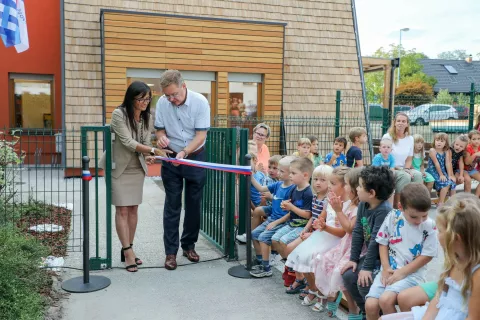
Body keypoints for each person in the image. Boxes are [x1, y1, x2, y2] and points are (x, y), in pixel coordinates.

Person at [99, 81, 171, 272]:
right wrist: (154, 149)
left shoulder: (147, 118)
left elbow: (145, 141)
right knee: (122, 210)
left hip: (136, 168)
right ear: (131, 98)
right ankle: (128, 250)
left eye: (147, 98)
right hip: (118, 168)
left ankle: (127, 247)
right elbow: (128, 142)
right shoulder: (118, 114)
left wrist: (149, 155)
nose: (145, 102)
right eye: (141, 99)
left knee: (132, 210)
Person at [380, 193, 480, 320]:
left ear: (455, 238)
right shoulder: (456, 261)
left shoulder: (477, 274)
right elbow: (440, 297)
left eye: (440, 231)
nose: (437, 234)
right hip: (441, 310)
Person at [154, 70, 210, 270]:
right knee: (172, 204)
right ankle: (170, 253)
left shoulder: (200, 102)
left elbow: (201, 135)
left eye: (174, 95)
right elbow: (159, 129)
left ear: (183, 86)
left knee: (194, 204)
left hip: (194, 155)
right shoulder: (162, 102)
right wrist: (160, 137)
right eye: (168, 95)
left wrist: (185, 153)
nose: (171, 99)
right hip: (171, 156)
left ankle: (188, 246)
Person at [364, 183, 438, 319]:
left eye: (425, 215)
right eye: (414, 217)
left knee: (385, 300)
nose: (420, 221)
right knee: (370, 305)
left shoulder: (429, 226)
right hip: (388, 271)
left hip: (412, 274)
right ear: (400, 207)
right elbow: (382, 242)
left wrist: (401, 273)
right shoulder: (393, 216)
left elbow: (428, 255)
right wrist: (385, 268)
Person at [341, 166, 395, 316]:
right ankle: (366, 312)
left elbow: (376, 242)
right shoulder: (364, 205)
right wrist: (353, 259)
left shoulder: (384, 211)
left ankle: (378, 314)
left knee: (364, 282)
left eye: (359, 186)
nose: (357, 189)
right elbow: (358, 231)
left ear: (371, 193)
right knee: (348, 275)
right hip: (371, 256)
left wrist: (366, 268)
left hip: (383, 260)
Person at [284, 166, 344, 296]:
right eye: (316, 179)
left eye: (323, 180)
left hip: (330, 235)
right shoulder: (318, 197)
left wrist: (316, 230)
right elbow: (318, 217)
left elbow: (335, 226)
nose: (318, 182)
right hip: (320, 232)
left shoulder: (334, 201)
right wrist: (310, 228)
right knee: (295, 252)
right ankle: (307, 283)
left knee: (312, 258)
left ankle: (315, 289)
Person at [251, 158, 314, 278]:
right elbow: (290, 210)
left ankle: (277, 265)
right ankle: (267, 261)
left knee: (269, 237)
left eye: (292, 173)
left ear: (305, 175)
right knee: (258, 234)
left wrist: (288, 209)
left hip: (294, 224)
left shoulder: (304, 192)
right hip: (284, 221)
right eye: (289, 173)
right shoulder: (292, 188)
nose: (290, 176)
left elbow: (307, 215)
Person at [312, 167, 362, 318]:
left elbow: (347, 230)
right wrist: (321, 223)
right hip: (343, 243)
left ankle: (354, 309)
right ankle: (331, 296)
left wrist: (337, 211)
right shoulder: (343, 202)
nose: (330, 186)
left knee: (338, 272)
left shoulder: (357, 207)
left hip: (352, 245)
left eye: (334, 183)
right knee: (322, 260)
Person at [249, 156, 296, 278]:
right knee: (254, 234)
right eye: (278, 170)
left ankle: (266, 267)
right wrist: (251, 177)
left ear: (291, 173)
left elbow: (291, 213)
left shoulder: (293, 189)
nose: (278, 173)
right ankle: (262, 259)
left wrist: (275, 223)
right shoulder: (278, 184)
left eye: (281, 171)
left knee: (264, 237)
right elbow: (260, 188)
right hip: (273, 217)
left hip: (281, 221)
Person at [236, 154, 282, 244]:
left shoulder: (281, 181)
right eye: (269, 167)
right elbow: (263, 196)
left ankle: (253, 236)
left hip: (279, 208)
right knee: (257, 211)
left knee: (259, 213)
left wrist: (271, 198)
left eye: (275, 168)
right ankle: (251, 236)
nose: (271, 170)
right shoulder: (268, 180)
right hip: (270, 207)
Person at [382, 112, 423, 208]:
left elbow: (409, 158)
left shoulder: (410, 139)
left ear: (407, 124)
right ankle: (397, 206)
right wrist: (402, 170)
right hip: (390, 168)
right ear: (395, 123)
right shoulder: (387, 137)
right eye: (398, 121)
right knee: (405, 177)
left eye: (403, 121)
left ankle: (413, 204)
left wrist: (407, 169)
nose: (401, 123)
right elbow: (385, 157)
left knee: (418, 175)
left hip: (403, 168)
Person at [426, 133, 456, 206]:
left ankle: (453, 202)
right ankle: (441, 203)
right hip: (433, 171)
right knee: (445, 183)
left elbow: (448, 163)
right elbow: (436, 163)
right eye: (437, 140)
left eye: (442, 141)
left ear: (445, 143)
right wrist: (441, 175)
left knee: (452, 182)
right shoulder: (432, 150)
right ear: (434, 141)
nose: (439, 142)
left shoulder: (446, 151)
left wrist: (450, 175)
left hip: (442, 171)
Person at [463, 130, 480, 197]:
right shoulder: (468, 148)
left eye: (479, 139)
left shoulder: (479, 147)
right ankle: (468, 199)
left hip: (472, 170)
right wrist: (475, 154)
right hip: (463, 170)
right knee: (468, 180)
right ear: (469, 140)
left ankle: (476, 198)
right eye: (474, 139)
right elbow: (467, 162)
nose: (477, 141)